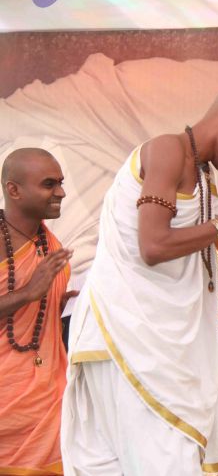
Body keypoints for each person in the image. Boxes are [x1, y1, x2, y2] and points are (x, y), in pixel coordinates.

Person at [61, 88, 218, 475]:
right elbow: (153, 245)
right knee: (164, 463)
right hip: (127, 336)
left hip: (153, 343)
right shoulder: (167, 150)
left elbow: (211, 242)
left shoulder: (203, 176)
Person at [0, 148, 73, 475]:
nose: (61, 192)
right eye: (48, 184)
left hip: (46, 400)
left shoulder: (49, 244)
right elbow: (28, 295)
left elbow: (35, 319)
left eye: (60, 182)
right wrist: (29, 293)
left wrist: (58, 303)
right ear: (13, 190)